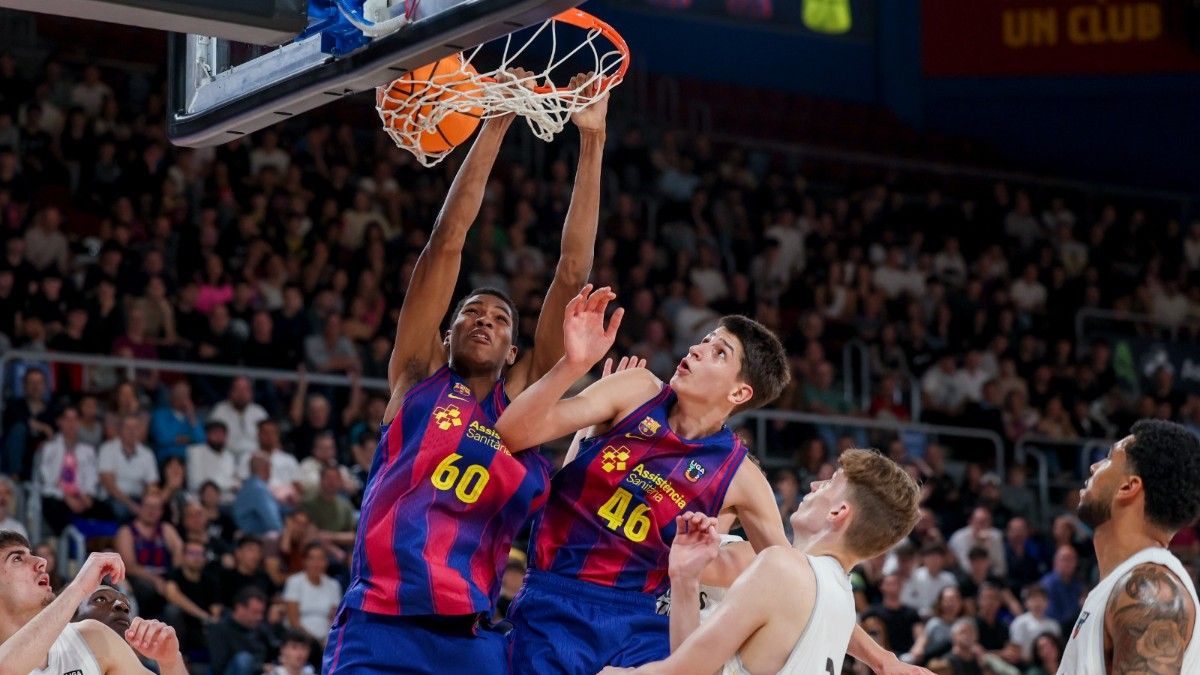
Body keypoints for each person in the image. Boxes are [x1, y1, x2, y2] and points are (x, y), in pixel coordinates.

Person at [323, 77, 608, 675]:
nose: (484, 320)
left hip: (471, 637)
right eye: (471, 313)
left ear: (513, 351)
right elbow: (446, 243)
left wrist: (593, 138)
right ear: (446, 335)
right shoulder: (418, 375)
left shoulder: (525, 406)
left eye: (500, 319)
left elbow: (571, 271)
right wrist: (496, 121)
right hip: (379, 623)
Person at [497, 290, 915, 673]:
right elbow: (512, 434)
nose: (697, 349)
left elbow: (801, 585)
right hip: (554, 598)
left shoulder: (741, 477)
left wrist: (883, 660)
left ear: (739, 393)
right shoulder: (637, 391)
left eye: (719, 352)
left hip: (642, 625)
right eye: (704, 341)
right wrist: (573, 365)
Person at [598, 447, 921, 674]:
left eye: (829, 484)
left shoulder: (783, 568)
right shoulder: (841, 603)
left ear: (838, 512)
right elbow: (692, 666)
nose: (813, 485)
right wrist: (685, 580)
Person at [1058, 420, 1200, 673]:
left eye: (1109, 459)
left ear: (1128, 487)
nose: (1094, 466)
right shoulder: (1124, 583)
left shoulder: (1150, 592)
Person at [0, 532, 187, 674]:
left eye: (31, 554)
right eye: (17, 558)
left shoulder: (92, 636)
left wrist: (170, 662)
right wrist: (78, 587)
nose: (41, 561)